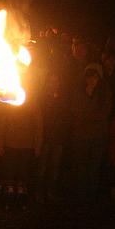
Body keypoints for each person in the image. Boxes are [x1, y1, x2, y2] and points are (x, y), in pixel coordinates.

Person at [68, 67, 113, 203]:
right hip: (81, 137)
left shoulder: (105, 93)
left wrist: (87, 116)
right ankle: (81, 196)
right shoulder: (78, 92)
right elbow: (76, 111)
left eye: (95, 77)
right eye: (89, 77)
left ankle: (91, 196)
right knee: (81, 166)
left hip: (98, 137)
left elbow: (104, 112)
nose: (92, 80)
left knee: (94, 167)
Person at [0, 101, 42, 210]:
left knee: (23, 175)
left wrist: (37, 145)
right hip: (10, 145)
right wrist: (0, 144)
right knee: (9, 174)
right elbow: (1, 124)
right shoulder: (9, 103)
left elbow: (38, 126)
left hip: (26, 146)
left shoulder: (33, 104)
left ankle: (21, 200)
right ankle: (8, 200)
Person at [35, 73, 72, 203]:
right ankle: (39, 193)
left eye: (56, 81)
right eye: (51, 81)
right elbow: (39, 118)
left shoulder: (63, 98)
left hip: (58, 138)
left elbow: (65, 117)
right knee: (42, 167)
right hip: (45, 137)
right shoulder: (41, 98)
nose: (53, 84)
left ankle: (50, 192)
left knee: (55, 167)